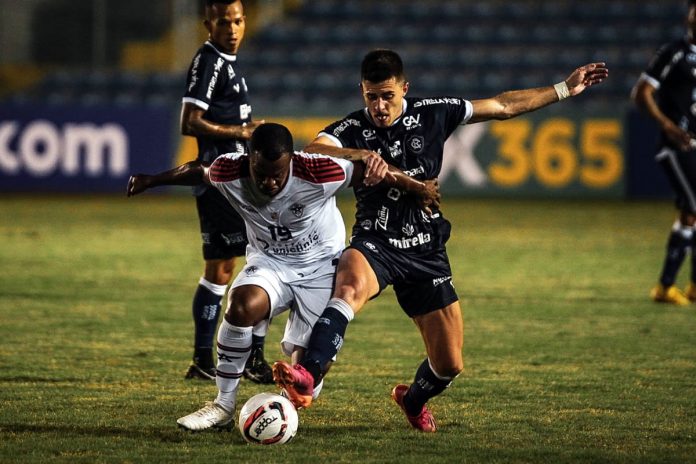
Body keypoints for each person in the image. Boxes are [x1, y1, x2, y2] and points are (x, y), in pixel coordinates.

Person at [272, 49, 608, 432]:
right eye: (371, 97)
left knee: (449, 364)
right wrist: (360, 154)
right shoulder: (351, 130)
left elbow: (501, 105)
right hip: (376, 240)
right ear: (361, 92)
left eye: (388, 96)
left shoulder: (433, 112)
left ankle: (412, 400)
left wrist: (564, 88)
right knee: (347, 288)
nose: (380, 106)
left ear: (404, 89)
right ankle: (307, 377)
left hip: (426, 248)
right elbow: (313, 151)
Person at [126, 122, 439, 431]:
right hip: (271, 263)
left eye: (278, 174)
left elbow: (374, 173)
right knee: (241, 306)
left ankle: (278, 413)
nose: (270, 183)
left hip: (321, 268)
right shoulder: (230, 171)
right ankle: (222, 405)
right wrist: (151, 180)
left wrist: (418, 187)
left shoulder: (319, 171)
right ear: (249, 160)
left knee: (307, 381)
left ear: (292, 159)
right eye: (262, 174)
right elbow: (199, 170)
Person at [180, 0, 272, 382]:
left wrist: (247, 127)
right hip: (223, 182)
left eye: (237, 21)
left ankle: (204, 359)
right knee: (265, 260)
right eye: (223, 22)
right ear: (208, 24)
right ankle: (250, 359)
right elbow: (191, 121)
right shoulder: (210, 61)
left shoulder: (225, 62)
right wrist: (241, 132)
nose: (232, 29)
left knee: (221, 268)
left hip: (227, 181)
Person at [633, 0, 696, 306]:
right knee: (693, 208)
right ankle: (666, 286)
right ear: (690, 15)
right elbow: (641, 93)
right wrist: (668, 126)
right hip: (676, 146)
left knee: (689, 213)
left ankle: (679, 287)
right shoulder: (674, 53)